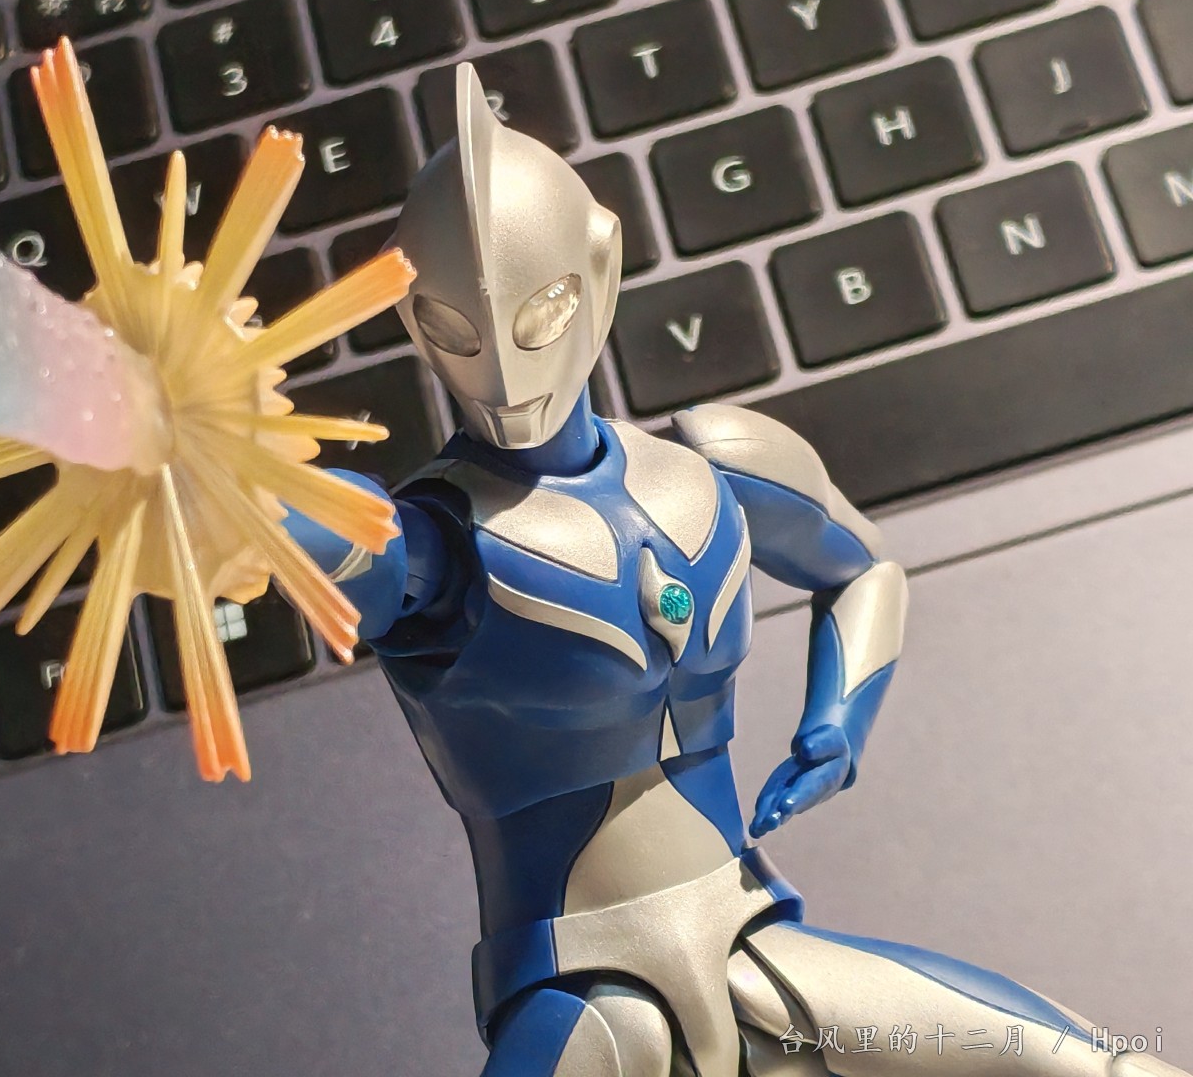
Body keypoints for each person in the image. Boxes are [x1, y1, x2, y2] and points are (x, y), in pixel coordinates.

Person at [283, 65, 1185, 1077]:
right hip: (580, 994)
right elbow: (312, 538)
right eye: (453, 329)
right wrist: (210, 473)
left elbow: (863, 573)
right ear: (412, 318)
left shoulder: (711, 469)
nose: (501, 368)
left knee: (1096, 1064)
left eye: (539, 316)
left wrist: (835, 727)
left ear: (600, 267)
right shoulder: (437, 546)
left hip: (753, 943)